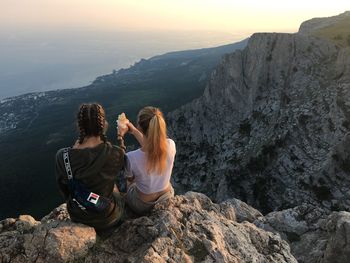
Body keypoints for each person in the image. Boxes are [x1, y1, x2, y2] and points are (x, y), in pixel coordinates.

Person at [55, 103, 128, 230]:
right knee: (116, 189)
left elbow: (64, 190)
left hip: (78, 216)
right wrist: (120, 137)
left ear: (79, 126)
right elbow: (121, 156)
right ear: (103, 124)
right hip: (108, 216)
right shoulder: (115, 153)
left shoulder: (62, 156)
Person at [124, 106, 176, 215]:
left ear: (140, 127)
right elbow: (152, 150)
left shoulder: (131, 157)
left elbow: (130, 180)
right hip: (167, 197)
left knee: (130, 181)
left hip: (142, 205)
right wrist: (134, 131)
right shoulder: (171, 144)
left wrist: (120, 136)